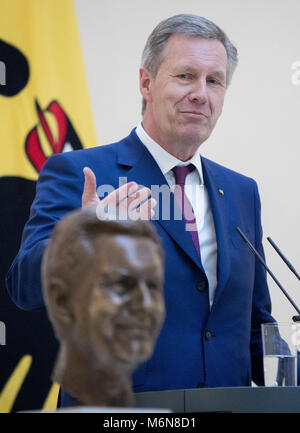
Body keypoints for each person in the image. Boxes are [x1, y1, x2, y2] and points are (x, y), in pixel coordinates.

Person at [6, 14, 275, 398]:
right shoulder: (81, 172)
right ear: (146, 82)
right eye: (185, 76)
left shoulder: (241, 191)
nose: (201, 93)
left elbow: (253, 325)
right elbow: (24, 288)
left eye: (214, 80)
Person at [41, 209, 165, 407]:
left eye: (153, 286)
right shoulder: (72, 178)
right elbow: (21, 279)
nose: (147, 305)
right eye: (121, 285)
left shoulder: (230, 187)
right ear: (61, 301)